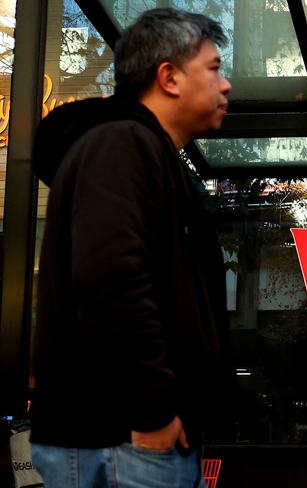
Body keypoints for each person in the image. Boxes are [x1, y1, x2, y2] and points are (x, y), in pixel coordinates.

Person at [29, 8, 234, 487]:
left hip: (133, 440)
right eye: (214, 68)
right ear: (169, 77)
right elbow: (111, 279)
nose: (224, 86)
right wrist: (154, 411)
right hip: (126, 441)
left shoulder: (147, 154)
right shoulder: (123, 144)